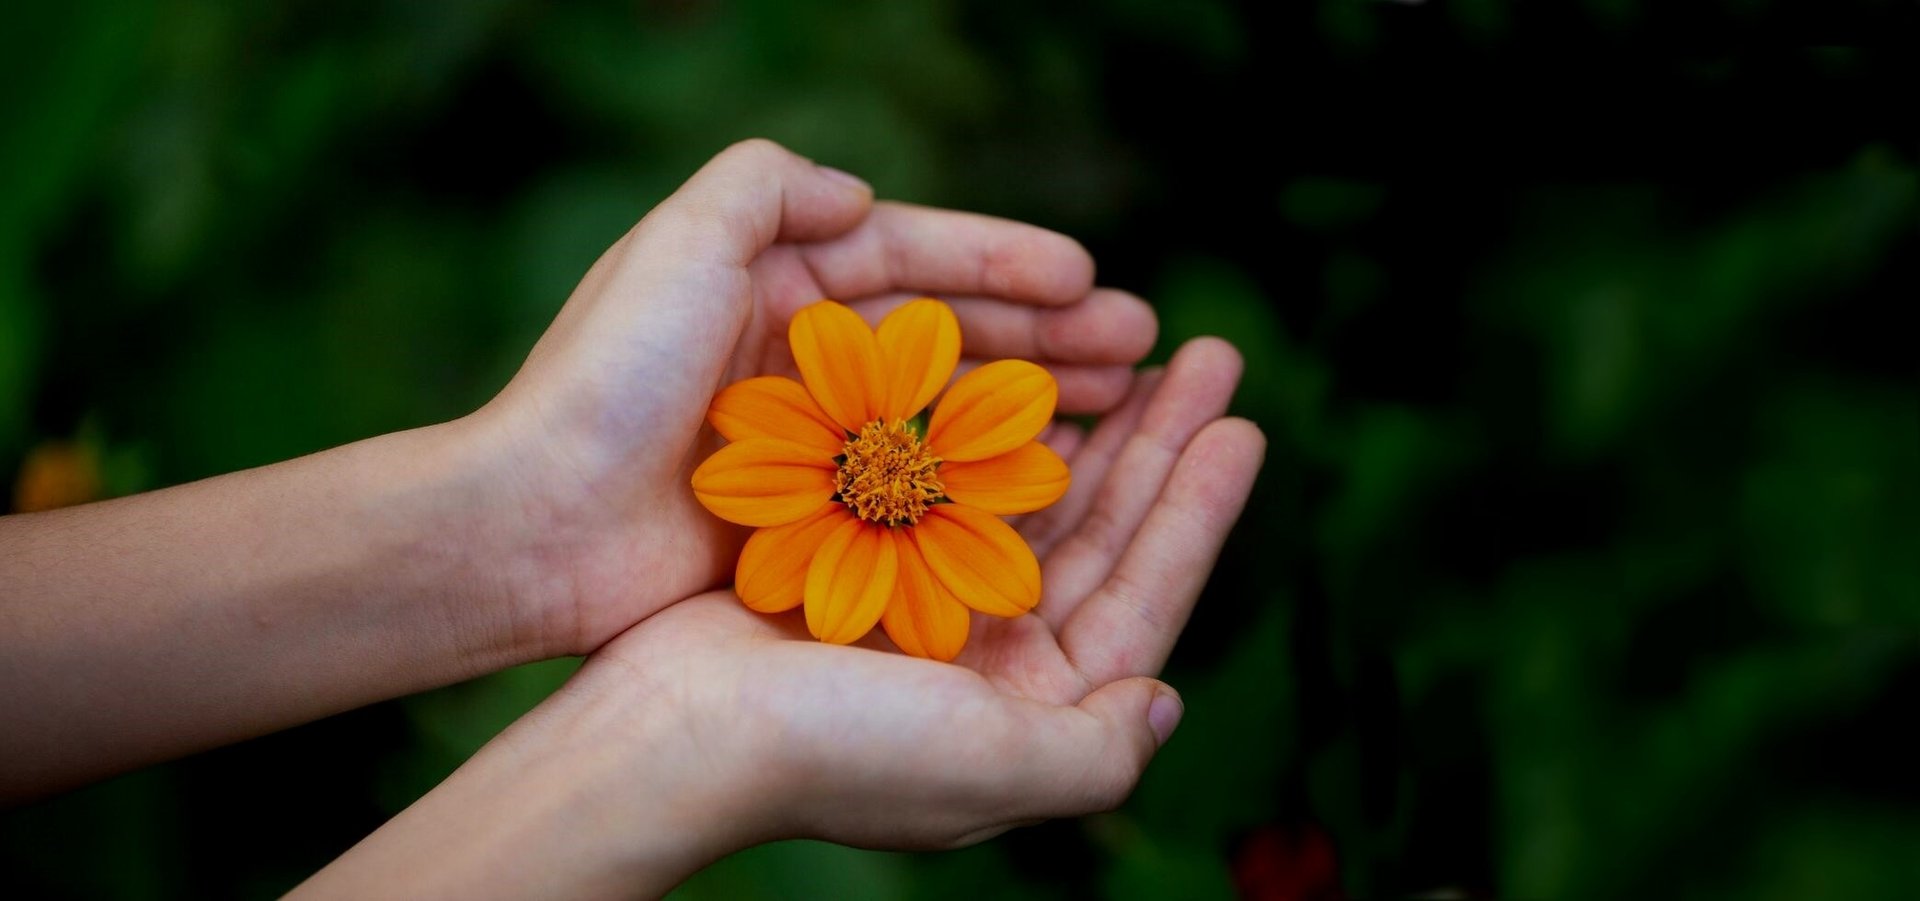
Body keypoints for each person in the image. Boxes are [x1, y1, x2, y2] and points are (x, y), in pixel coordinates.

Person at [0, 140, 1264, 898]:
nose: (899, 461)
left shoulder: (947, 495)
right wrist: (673, 726)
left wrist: (664, 716)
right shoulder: (815, 447)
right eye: (892, 454)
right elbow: (768, 504)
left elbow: (986, 493)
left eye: (905, 458)